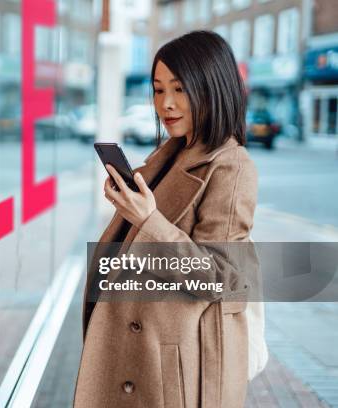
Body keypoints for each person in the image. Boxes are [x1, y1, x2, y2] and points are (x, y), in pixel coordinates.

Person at [74, 31, 258, 407]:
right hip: (139, 355)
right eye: (158, 90)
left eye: (180, 89)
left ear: (212, 87)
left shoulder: (231, 165)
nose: (166, 104)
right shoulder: (170, 156)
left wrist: (148, 220)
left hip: (172, 370)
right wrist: (132, 213)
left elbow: (222, 277)